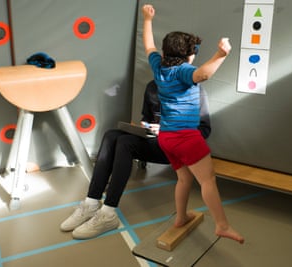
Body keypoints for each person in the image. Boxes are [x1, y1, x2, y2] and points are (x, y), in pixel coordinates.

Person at [142, 4, 244, 244]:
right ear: (188, 55)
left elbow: (148, 45)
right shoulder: (183, 71)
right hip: (186, 137)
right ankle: (222, 225)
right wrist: (221, 55)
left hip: (166, 137)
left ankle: (180, 217)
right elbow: (204, 75)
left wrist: (147, 20)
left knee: (184, 179)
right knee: (208, 180)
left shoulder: (159, 66)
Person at [60, 80, 211, 239]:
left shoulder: (194, 90)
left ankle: (108, 213)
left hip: (176, 146)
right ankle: (91, 203)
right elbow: (147, 117)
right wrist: (144, 126)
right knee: (111, 135)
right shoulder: (152, 86)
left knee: (125, 143)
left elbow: (204, 130)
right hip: (155, 139)